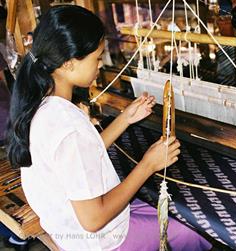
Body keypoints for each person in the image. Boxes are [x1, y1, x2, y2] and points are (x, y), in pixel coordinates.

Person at [6, 5, 211, 251]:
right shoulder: (67, 126)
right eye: (97, 58)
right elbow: (93, 220)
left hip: (69, 228)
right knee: (194, 231)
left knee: (165, 208)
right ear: (69, 63)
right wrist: (149, 164)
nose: (101, 65)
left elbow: (81, 157)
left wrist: (125, 119)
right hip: (99, 241)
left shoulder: (44, 105)